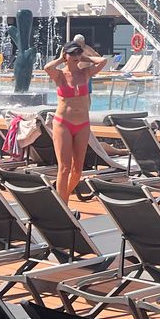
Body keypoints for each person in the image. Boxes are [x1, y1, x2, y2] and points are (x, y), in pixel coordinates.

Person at [45, 39, 107, 202]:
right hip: (63, 123)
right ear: (65, 55)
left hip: (82, 125)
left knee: (77, 170)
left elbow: (102, 61)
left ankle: (62, 198)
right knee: (64, 168)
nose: (76, 56)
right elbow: (47, 68)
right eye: (72, 53)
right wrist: (61, 59)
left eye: (78, 53)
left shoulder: (85, 73)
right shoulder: (59, 75)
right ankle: (63, 207)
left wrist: (84, 57)